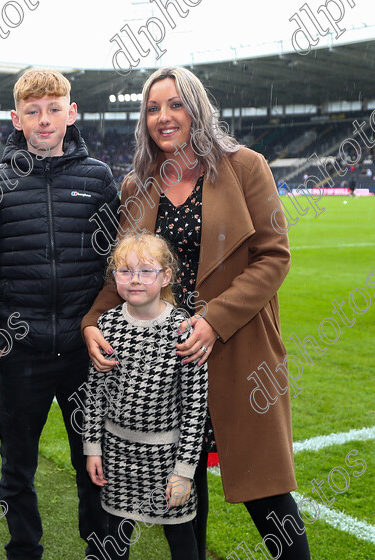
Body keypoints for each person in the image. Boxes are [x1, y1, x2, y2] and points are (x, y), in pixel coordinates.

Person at [81, 66, 311, 559]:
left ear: (197, 109)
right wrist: (89, 324)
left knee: (267, 494)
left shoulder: (245, 166)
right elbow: (124, 272)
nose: (163, 117)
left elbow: (274, 256)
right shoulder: (137, 185)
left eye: (175, 104)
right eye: (152, 108)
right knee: (183, 493)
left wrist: (214, 320)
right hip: (167, 366)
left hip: (237, 350)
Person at [0, 69, 119, 559]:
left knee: (94, 461)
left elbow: (114, 263)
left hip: (84, 353)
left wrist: (100, 327)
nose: (44, 119)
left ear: (72, 113)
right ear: (17, 118)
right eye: (32, 111)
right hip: (23, 354)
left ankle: (102, 548)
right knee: (17, 466)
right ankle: (24, 550)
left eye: (54, 108)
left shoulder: (97, 177)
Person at [84, 233, 206, 560]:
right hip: (116, 456)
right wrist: (93, 449)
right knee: (115, 538)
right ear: (114, 277)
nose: (134, 280)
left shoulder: (185, 330)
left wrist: (184, 471)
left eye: (146, 271)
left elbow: (195, 409)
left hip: (167, 459)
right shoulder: (107, 324)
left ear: (166, 276)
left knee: (181, 537)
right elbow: (95, 395)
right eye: (124, 271)